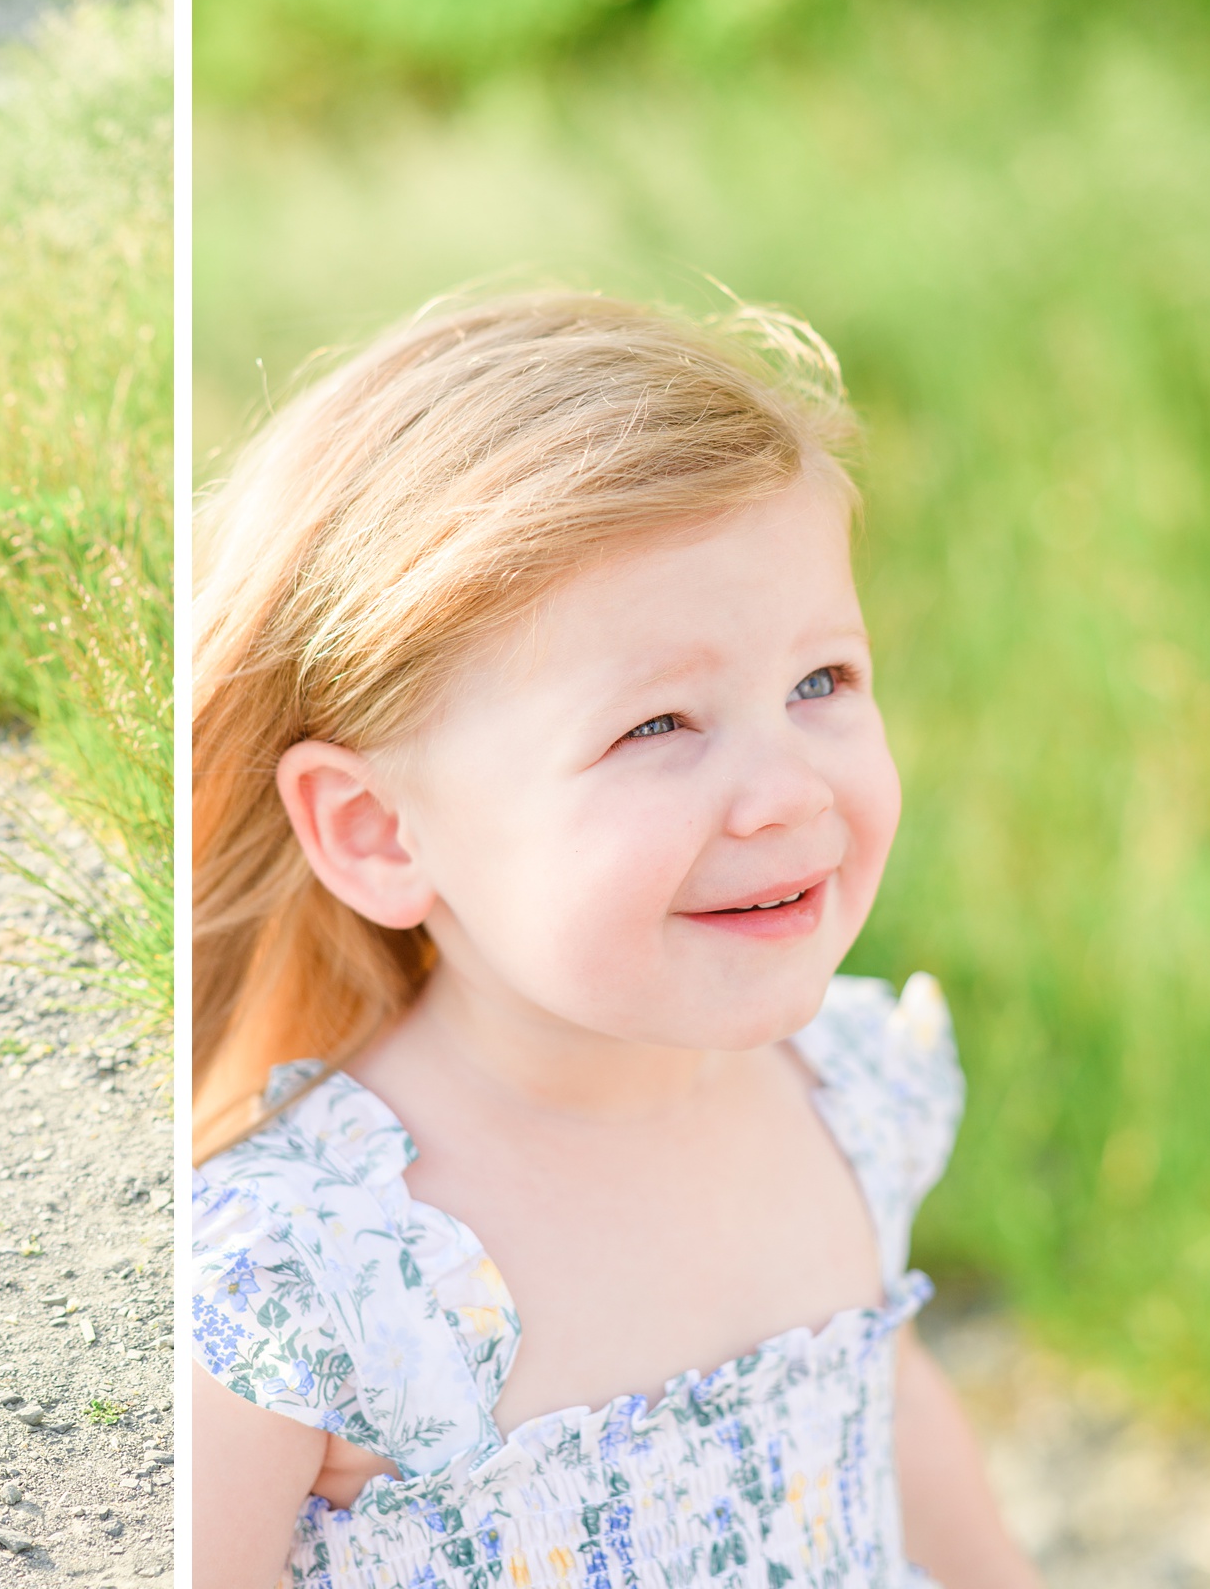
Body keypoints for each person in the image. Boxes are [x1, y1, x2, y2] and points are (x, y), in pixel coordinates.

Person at [189, 296, 1037, 1587]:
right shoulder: (312, 1268)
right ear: (376, 831)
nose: (790, 791)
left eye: (822, 684)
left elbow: (889, 1411)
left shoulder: (853, 1091)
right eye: (658, 727)